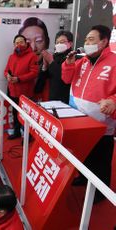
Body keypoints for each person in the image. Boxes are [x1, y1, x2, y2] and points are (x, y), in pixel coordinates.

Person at [62, 25, 116, 203]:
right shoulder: (82, 61)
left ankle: (100, 191)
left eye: (91, 39)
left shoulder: (114, 62)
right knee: (84, 153)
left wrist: (113, 100)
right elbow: (67, 79)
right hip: (79, 119)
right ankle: (84, 178)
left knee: (101, 159)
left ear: (104, 42)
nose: (87, 43)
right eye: (86, 40)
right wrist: (68, 64)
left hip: (102, 123)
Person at [4, 34, 39, 139]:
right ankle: (17, 132)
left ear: (26, 43)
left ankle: (29, 136)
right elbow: (6, 71)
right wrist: (8, 76)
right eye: (16, 43)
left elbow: (34, 73)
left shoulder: (32, 56)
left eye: (21, 42)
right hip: (12, 90)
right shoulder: (11, 56)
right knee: (15, 113)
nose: (19, 44)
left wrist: (19, 78)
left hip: (25, 92)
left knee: (26, 115)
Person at [19, 17, 50, 101]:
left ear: (47, 43)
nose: (33, 48)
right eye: (28, 42)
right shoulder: (18, 65)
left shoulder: (52, 67)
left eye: (39, 41)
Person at [42, 30, 73, 104]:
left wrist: (51, 62)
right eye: (57, 42)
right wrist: (44, 67)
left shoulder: (72, 57)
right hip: (52, 96)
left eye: (62, 42)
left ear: (70, 43)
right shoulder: (54, 56)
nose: (59, 44)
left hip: (65, 98)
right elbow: (44, 78)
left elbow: (63, 78)